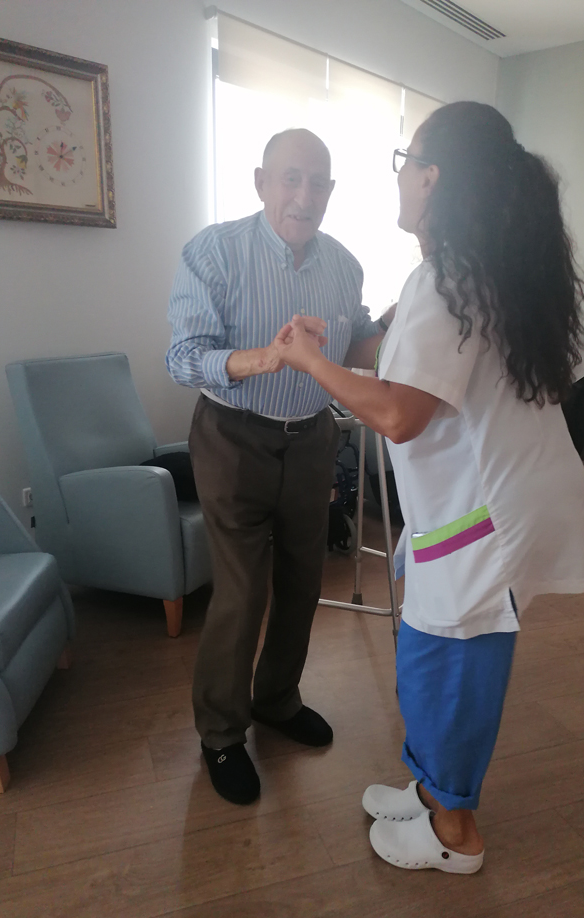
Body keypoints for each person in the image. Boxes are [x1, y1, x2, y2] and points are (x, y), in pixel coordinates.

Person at [275, 102, 584, 873]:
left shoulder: (447, 277)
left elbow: (398, 414)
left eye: (406, 160)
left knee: (446, 669)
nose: (401, 176)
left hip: (478, 520)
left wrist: (309, 361)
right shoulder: (490, 270)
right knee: (434, 661)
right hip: (491, 504)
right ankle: (429, 791)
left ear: (433, 178)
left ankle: (454, 831)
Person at [166, 128, 392, 806]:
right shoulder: (213, 251)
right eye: (290, 178)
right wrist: (265, 357)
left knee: (302, 578)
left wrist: (407, 327)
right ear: (261, 180)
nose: (304, 195)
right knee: (242, 592)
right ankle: (220, 732)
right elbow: (182, 357)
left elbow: (354, 340)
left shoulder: (345, 265)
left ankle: (276, 698)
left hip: (313, 437)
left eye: (317, 182)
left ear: (331, 191)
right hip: (233, 436)